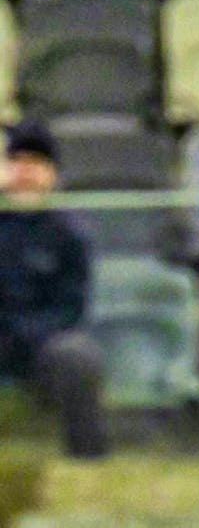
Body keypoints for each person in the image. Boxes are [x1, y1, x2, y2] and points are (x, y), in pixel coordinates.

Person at [0, 119, 108, 458]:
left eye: (35, 163)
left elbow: (71, 309)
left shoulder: (71, 234)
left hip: (43, 347)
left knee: (78, 356)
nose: (25, 172)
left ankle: (87, 462)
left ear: (52, 173)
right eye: (16, 162)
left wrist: (25, 334)